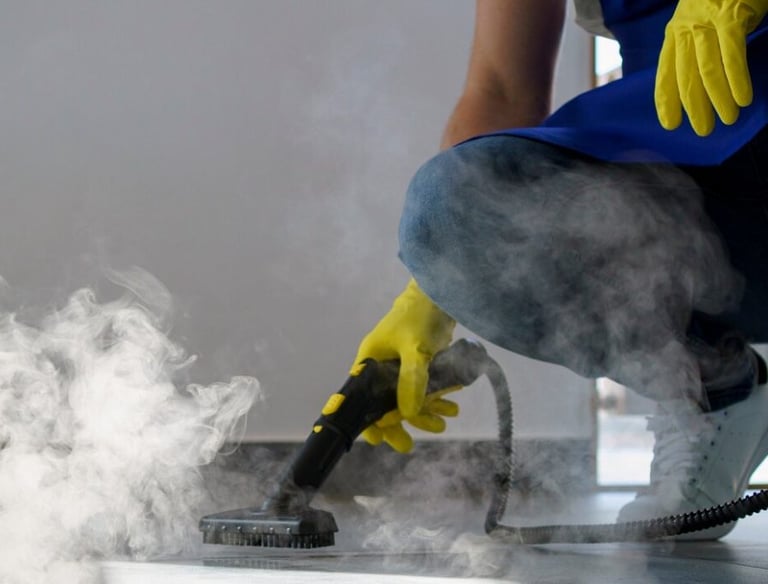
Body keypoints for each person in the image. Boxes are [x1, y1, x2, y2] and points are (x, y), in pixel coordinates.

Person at [351, 0, 768, 540]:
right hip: (686, 191)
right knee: (450, 207)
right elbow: (503, 90)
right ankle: (714, 389)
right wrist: (431, 289)